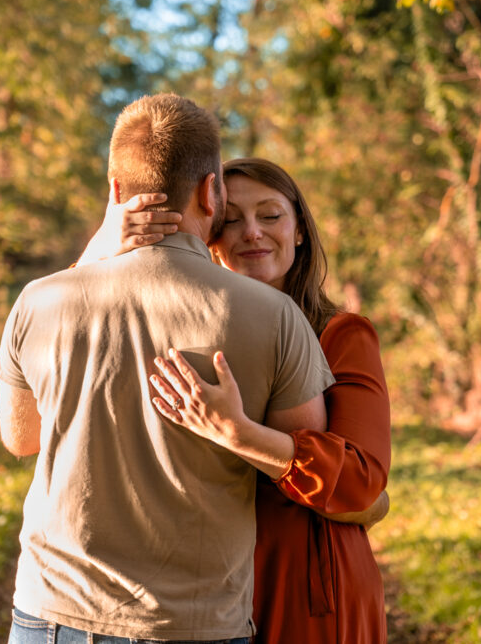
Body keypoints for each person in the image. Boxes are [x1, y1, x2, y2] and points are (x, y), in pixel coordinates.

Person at [0, 95, 334, 643]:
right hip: (195, 625)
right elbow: (306, 459)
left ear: (114, 190)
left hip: (50, 616)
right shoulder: (275, 316)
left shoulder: (40, 300)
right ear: (211, 191)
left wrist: (87, 260)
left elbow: (21, 436)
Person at [114, 158, 392, 643]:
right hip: (196, 583)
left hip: (303, 583)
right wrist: (105, 247)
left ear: (299, 230)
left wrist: (240, 436)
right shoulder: (175, 329)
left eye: (269, 215)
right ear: (209, 236)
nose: (251, 233)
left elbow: (361, 483)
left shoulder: (341, 335)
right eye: (231, 219)